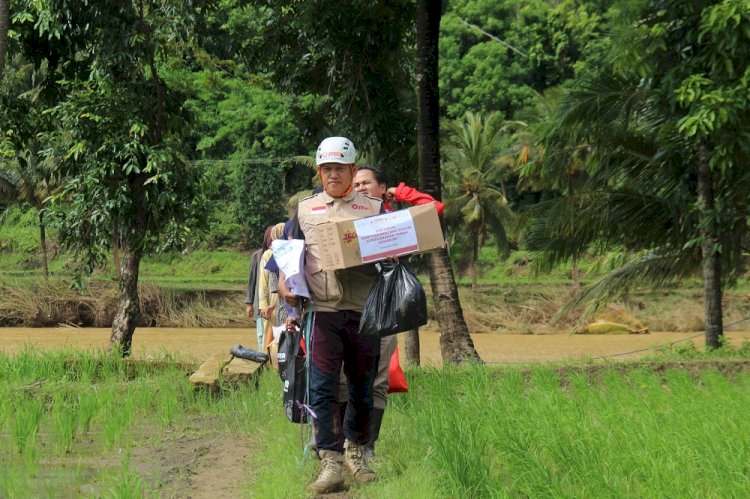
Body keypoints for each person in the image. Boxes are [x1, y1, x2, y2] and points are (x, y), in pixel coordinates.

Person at [279, 136, 383, 494]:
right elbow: (289, 252)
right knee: (322, 387)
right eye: (326, 169)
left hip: (364, 310)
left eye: (340, 168)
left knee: (361, 385)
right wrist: (283, 283)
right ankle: (331, 463)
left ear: (353, 171)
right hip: (323, 312)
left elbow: (395, 248)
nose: (333, 175)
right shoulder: (306, 210)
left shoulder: (374, 208)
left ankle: (357, 454)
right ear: (319, 173)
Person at [350, 165, 442, 461]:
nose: (360, 188)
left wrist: (400, 194)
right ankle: (339, 443)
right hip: (347, 305)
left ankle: (368, 446)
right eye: (356, 184)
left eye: (367, 183)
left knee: (378, 378)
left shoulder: (394, 220)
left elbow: (434, 208)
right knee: (344, 378)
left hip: (383, 308)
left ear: (381, 188)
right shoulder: (343, 219)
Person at [245, 225, 274, 351]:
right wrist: (249, 303)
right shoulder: (257, 256)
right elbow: (252, 281)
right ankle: (263, 359)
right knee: (261, 334)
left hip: (275, 302)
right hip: (260, 302)